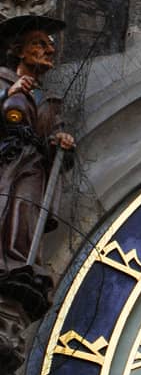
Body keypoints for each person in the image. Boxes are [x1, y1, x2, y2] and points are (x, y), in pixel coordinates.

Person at [0, 21, 73, 271]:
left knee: (25, 209)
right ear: (20, 51)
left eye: (49, 45)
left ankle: (16, 265)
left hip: (32, 164)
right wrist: (8, 93)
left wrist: (61, 139)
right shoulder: (3, 79)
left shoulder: (50, 101)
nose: (49, 51)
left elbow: (53, 131)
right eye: (39, 44)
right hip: (4, 158)